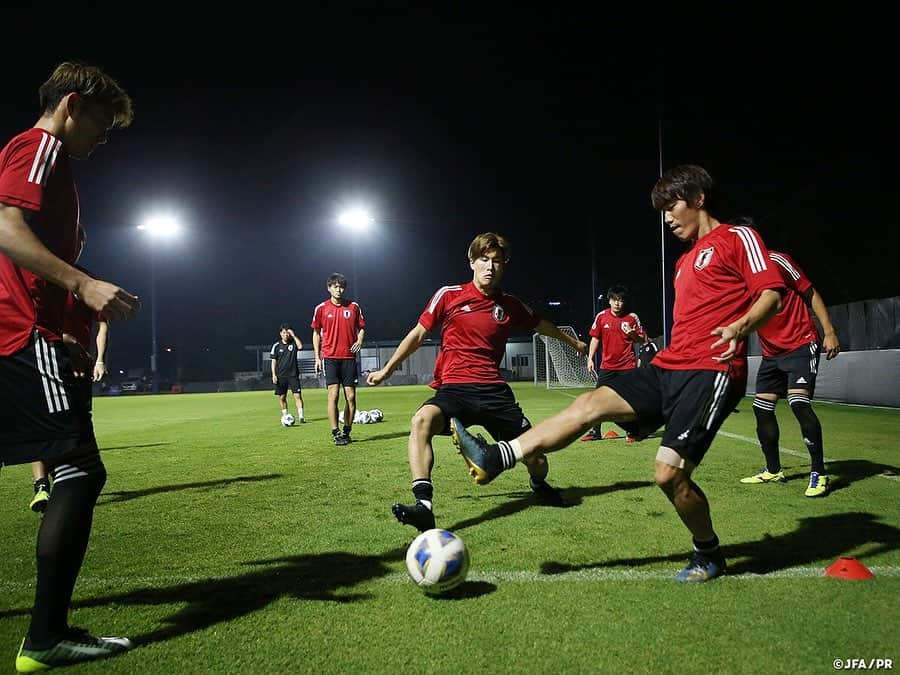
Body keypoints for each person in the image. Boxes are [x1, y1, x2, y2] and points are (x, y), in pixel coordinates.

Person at [451, 166, 785, 582]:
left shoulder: (739, 237)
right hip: (668, 367)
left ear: (698, 198)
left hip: (711, 370)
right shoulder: (683, 262)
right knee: (590, 402)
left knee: (668, 475)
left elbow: (771, 292)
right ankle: (497, 456)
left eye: (672, 205)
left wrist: (741, 327)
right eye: (661, 210)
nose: (666, 217)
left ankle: (709, 553)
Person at [0, 61, 140, 670]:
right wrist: (84, 285)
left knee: (70, 469)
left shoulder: (44, 161)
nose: (102, 139)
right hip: (17, 335)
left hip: (37, 335)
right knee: (80, 470)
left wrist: (68, 335)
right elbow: (5, 228)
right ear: (71, 105)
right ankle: (45, 637)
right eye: (102, 125)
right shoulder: (41, 148)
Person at [367, 232, 588, 532]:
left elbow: (542, 324)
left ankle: (538, 485)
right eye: (484, 259)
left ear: (504, 266)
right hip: (454, 389)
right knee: (421, 421)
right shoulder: (448, 295)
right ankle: (424, 507)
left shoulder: (510, 305)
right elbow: (418, 334)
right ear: (471, 262)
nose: (490, 267)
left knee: (536, 457)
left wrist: (572, 343)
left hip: (494, 392)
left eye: (497, 261)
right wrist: (388, 369)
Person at [737, 237, 841, 497]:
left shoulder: (776, 260)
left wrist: (829, 331)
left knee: (798, 403)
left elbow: (810, 292)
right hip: (771, 353)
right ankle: (773, 470)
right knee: (761, 408)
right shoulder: (739, 276)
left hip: (800, 344)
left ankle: (819, 473)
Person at [30, 258, 111, 515]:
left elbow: (103, 324)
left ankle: (68, 482)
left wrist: (99, 360)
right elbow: (26, 316)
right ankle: (41, 484)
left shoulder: (87, 280)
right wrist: (61, 339)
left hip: (80, 361)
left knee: (78, 423)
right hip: (44, 355)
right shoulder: (37, 271)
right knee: (41, 424)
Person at [581, 283, 650, 443]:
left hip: (627, 366)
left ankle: (632, 432)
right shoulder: (601, 317)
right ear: (609, 300)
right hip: (607, 367)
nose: (618, 303)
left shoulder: (632, 318)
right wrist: (590, 357)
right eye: (615, 300)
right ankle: (595, 432)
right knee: (597, 399)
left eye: (621, 300)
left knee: (628, 400)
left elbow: (643, 340)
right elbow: (595, 338)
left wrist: (632, 333)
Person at [311, 273, 366, 445]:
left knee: (350, 397)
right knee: (333, 396)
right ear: (329, 288)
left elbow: (362, 327)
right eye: (335, 286)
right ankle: (335, 432)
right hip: (330, 358)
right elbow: (316, 333)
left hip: (349, 358)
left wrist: (359, 340)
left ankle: (347, 431)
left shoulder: (354, 307)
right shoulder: (321, 308)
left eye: (341, 286)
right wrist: (317, 357)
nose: (338, 289)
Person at [270, 323, 305, 424]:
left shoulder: (293, 343)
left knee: (297, 395)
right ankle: (285, 416)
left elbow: (301, 346)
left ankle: (301, 417)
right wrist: (273, 374)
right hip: (281, 376)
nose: (286, 335)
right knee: (282, 397)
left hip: (293, 374)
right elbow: (273, 361)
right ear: (280, 333)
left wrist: (294, 335)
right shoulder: (276, 346)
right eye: (284, 333)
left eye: (287, 333)